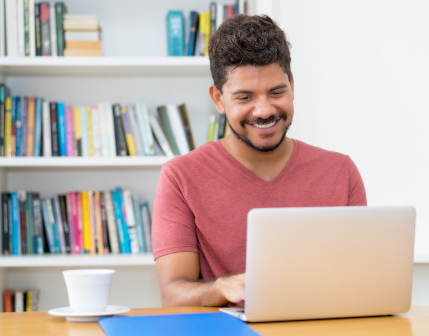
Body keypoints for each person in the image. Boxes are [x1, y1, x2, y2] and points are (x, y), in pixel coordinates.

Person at [151, 14, 367, 308]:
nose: (264, 110)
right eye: (244, 97)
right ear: (218, 99)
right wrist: (222, 288)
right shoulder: (180, 176)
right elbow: (173, 295)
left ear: (292, 85)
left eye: (277, 92)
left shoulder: (341, 172)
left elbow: (361, 282)